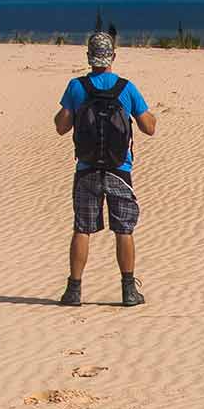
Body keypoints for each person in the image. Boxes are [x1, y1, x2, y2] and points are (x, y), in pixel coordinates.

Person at [54, 31, 157, 306]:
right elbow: (149, 127)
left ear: (89, 58)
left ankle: (74, 290)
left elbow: (61, 127)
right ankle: (128, 291)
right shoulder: (126, 88)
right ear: (113, 56)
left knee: (82, 228)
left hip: (86, 170)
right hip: (119, 169)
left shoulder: (76, 87)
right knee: (124, 229)